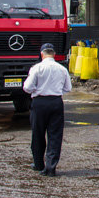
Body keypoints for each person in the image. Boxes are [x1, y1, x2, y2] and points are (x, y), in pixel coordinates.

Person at [23, 43, 72, 176]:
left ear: (42, 54)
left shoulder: (36, 68)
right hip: (56, 102)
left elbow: (27, 87)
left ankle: (38, 164)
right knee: (55, 135)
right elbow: (68, 88)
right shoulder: (62, 69)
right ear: (54, 54)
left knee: (38, 134)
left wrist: (38, 89)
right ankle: (51, 167)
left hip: (39, 103)